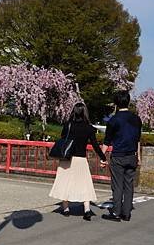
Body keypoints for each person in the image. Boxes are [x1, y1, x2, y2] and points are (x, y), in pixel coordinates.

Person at [49, 102, 107, 221]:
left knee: (65, 182)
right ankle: (86, 210)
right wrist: (103, 157)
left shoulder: (68, 125)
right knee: (84, 184)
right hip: (80, 159)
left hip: (67, 159)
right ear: (85, 112)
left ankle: (66, 209)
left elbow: (63, 139)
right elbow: (95, 145)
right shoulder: (89, 127)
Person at [100, 91, 142, 222]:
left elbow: (107, 141)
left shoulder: (114, 120)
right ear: (128, 101)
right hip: (132, 155)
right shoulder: (136, 119)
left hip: (118, 156)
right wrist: (138, 156)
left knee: (117, 185)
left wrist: (102, 158)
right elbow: (138, 140)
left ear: (116, 103)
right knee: (129, 185)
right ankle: (127, 213)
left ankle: (116, 212)